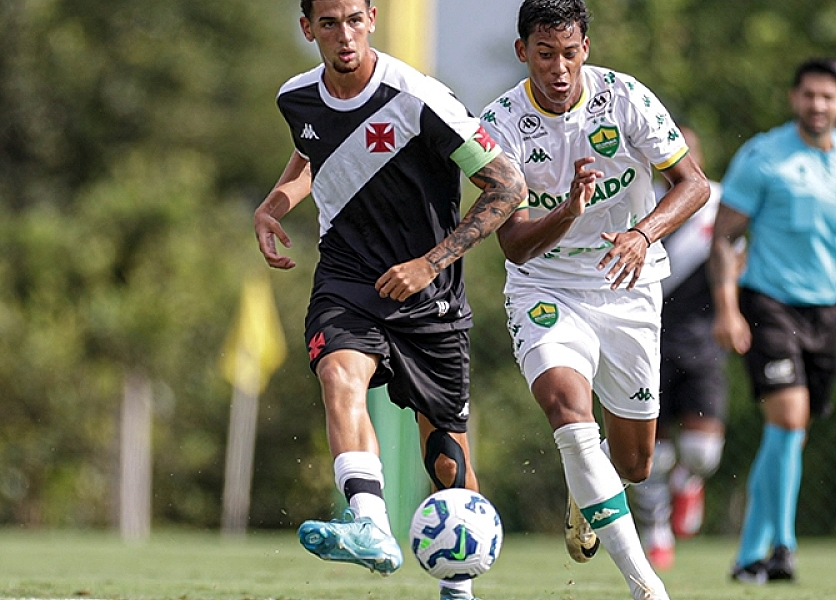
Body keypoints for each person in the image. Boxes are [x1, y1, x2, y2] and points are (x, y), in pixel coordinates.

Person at [252, 2, 526, 600]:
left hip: (430, 297)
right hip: (348, 278)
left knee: (449, 463)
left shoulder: (420, 98)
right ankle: (371, 527)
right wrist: (276, 203)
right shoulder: (295, 98)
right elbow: (314, 151)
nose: (343, 35)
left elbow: (508, 184)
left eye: (354, 19)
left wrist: (429, 263)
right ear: (308, 29)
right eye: (329, 23)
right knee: (338, 373)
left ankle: (459, 585)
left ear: (373, 18)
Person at [480, 2, 710, 598]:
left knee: (634, 464)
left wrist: (642, 233)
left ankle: (590, 494)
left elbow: (694, 184)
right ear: (522, 52)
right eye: (544, 54)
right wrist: (568, 211)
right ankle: (646, 585)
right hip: (547, 287)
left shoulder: (624, 97)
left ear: (586, 47)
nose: (559, 68)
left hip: (627, 283)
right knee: (568, 412)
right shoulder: (499, 123)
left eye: (570, 52)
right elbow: (515, 247)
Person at [709, 58, 836, 584]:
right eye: (808, 95)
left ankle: (748, 556)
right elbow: (724, 238)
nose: (817, 105)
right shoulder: (763, 157)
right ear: (793, 99)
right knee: (789, 419)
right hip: (767, 302)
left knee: (789, 436)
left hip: (824, 310)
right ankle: (783, 547)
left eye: (827, 97)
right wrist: (728, 307)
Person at [630, 126, 729, 572]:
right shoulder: (635, 201)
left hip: (702, 336)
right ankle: (657, 531)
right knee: (652, 448)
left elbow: (738, 257)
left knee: (701, 453)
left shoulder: (719, 203)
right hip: (644, 335)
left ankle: (689, 482)